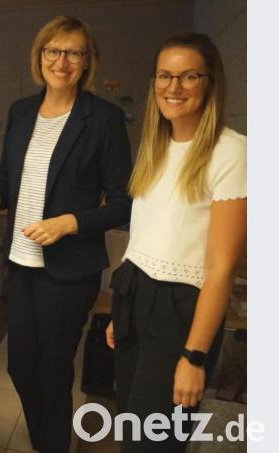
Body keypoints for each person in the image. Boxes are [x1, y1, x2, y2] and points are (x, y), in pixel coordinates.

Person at [0, 16, 132, 453]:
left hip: (70, 269)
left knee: (54, 373)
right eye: (53, 51)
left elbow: (124, 202)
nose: (62, 61)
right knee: (21, 367)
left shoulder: (103, 119)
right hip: (21, 263)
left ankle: (52, 444)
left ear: (87, 61)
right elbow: (11, 188)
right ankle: (46, 440)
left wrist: (71, 222)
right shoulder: (22, 112)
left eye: (74, 52)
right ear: (39, 57)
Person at [105, 33, 246, 452]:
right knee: (130, 426)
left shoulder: (231, 152)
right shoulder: (156, 145)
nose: (174, 87)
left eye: (188, 76)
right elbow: (144, 235)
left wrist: (195, 357)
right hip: (135, 294)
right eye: (164, 76)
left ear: (210, 82)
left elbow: (222, 268)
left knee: (157, 439)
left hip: (182, 311)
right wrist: (121, 312)